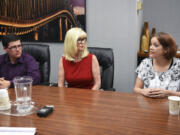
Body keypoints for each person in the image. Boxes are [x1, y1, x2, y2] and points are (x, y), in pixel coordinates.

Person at [134, 32, 180, 98]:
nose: (151, 48)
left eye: (155, 45)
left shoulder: (178, 65)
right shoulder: (145, 63)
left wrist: (168, 93)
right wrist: (143, 91)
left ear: (166, 49)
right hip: (147, 105)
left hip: (170, 106)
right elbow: (136, 89)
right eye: (151, 44)